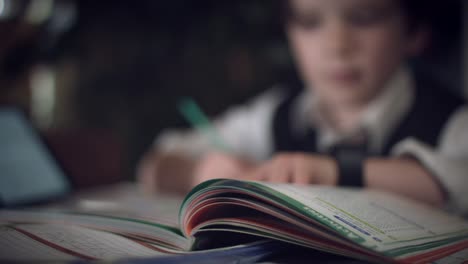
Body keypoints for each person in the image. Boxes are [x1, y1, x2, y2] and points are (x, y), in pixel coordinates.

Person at [137, 0, 468, 215]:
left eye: (364, 18)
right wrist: (197, 173)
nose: (337, 44)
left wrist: (331, 172)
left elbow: (458, 178)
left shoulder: (451, 119)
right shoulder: (277, 113)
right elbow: (155, 163)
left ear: (415, 31)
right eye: (310, 21)